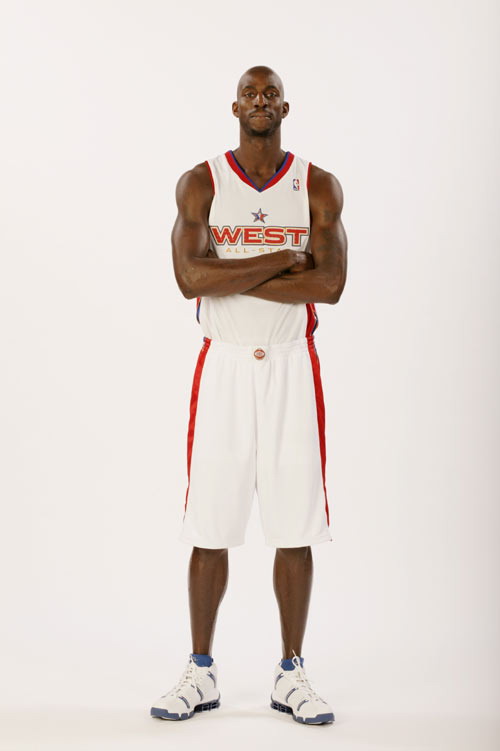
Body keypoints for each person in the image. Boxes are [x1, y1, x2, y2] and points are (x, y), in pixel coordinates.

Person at [150, 65, 348, 725]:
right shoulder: (201, 182)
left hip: (291, 367)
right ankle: (200, 670)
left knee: (296, 524)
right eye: (249, 93)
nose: (260, 101)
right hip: (226, 366)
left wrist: (228, 272)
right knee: (210, 522)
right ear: (234, 106)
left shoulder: (316, 183)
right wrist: (283, 261)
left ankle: (291, 671)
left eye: (271, 94)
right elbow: (188, 278)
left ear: (285, 107)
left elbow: (329, 286)